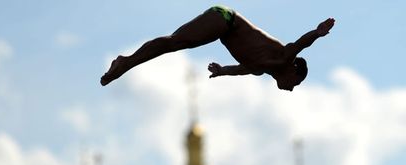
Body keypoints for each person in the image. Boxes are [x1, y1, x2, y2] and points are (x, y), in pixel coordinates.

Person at [100, 5, 335, 92]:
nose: (292, 89)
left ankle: (126, 62)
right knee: (175, 42)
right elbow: (300, 44)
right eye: (297, 83)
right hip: (225, 19)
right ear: (293, 71)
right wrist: (318, 32)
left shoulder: (259, 69)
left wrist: (222, 71)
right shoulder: (283, 58)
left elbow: (239, 70)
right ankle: (126, 62)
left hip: (221, 27)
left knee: (175, 43)